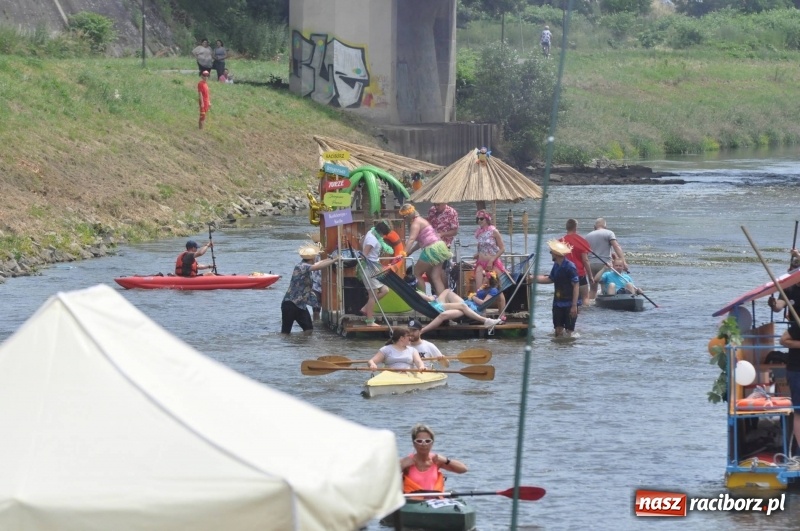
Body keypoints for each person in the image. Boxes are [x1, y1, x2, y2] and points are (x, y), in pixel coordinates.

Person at [281, 243, 336, 333]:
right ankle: (286, 346)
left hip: (301, 305)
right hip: (290, 304)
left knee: (309, 330)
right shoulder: (301, 266)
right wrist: (334, 261)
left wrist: (330, 259)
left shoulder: (306, 265)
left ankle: (303, 346)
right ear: (312, 258)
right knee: (285, 332)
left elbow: (318, 263)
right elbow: (317, 266)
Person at [400, 424, 468, 493]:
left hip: (433, 500)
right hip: (413, 501)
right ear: (414, 443)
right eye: (419, 441)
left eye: (427, 441)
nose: (424, 444)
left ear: (432, 443)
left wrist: (446, 460)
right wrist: (400, 467)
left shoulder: (436, 461)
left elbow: (464, 469)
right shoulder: (406, 462)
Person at [401, 204, 452, 295]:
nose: (403, 219)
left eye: (403, 217)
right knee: (435, 276)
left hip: (431, 249)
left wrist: (404, 253)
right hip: (439, 246)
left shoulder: (415, 223)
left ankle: (423, 299)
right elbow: (421, 242)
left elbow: (411, 239)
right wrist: (410, 252)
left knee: (416, 273)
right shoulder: (421, 220)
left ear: (407, 216)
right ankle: (443, 300)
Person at [535, 239, 580, 337]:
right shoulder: (556, 265)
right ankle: (558, 349)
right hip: (557, 302)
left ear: (556, 254)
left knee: (569, 332)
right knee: (558, 330)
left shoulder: (570, 267)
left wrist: (574, 305)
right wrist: (534, 279)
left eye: (551, 252)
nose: (551, 254)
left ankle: (568, 349)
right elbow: (551, 279)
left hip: (569, 303)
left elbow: (576, 285)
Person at [415, 288, 502, 335]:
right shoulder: (483, 287)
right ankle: (486, 320)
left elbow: (484, 303)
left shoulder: (492, 289)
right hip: (443, 306)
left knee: (445, 313)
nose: (483, 277)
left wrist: (473, 297)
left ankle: (422, 331)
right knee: (451, 294)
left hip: (467, 310)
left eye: (484, 276)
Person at [586, 218, 627, 300]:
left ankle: (590, 305)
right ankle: (605, 307)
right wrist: (623, 261)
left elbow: (585, 252)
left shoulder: (588, 236)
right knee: (606, 287)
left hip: (591, 264)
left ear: (594, 227)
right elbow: (616, 246)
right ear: (605, 226)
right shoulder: (609, 233)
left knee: (593, 288)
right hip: (605, 264)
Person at [359, 222, 390, 327]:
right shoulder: (372, 239)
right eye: (383, 234)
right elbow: (364, 255)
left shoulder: (371, 231)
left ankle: (365, 308)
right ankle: (370, 321)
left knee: (385, 290)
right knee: (372, 295)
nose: (383, 237)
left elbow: (361, 241)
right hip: (369, 268)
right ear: (381, 232)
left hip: (375, 267)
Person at [427, 203, 459, 290]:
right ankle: (435, 291)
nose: (436, 207)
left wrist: (442, 234)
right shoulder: (432, 210)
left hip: (444, 245)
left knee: (441, 271)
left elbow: (455, 231)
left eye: (438, 205)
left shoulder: (452, 212)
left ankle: (445, 291)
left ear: (444, 203)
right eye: (435, 205)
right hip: (431, 244)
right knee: (428, 270)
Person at [561, 218, 593, 304]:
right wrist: (590, 277)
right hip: (580, 274)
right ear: (576, 228)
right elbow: (585, 260)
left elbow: (557, 260)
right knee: (585, 297)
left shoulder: (560, 242)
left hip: (565, 274)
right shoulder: (582, 242)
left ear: (566, 228)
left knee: (567, 298)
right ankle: (585, 316)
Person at [473, 210, 506, 293]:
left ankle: (501, 305)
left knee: (496, 290)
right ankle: (481, 303)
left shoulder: (494, 231)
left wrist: (491, 260)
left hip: (493, 263)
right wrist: (477, 254)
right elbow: (480, 246)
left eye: (481, 219)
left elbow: (502, 248)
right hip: (480, 262)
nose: (479, 221)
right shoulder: (479, 232)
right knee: (479, 289)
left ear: (487, 219)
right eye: (478, 219)